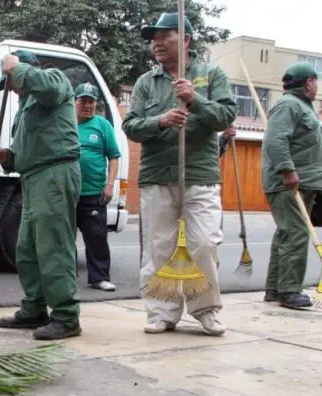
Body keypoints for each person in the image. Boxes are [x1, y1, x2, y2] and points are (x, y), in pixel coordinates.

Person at [123, 13, 237, 336]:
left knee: (204, 242)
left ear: (185, 39)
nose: (155, 43)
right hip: (157, 174)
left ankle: (206, 309)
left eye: (164, 35)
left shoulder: (211, 74)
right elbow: (130, 125)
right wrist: (160, 121)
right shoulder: (146, 82)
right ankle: (162, 311)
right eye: (153, 38)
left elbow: (226, 114)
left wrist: (195, 100)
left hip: (200, 173)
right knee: (159, 246)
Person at [0, 50, 82, 341]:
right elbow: (25, 152)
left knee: (53, 246)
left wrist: (18, 68)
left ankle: (66, 316)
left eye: (14, 82)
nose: (13, 90)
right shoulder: (24, 107)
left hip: (55, 173)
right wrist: (7, 156)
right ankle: (34, 308)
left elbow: (50, 91)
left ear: (27, 69)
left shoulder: (54, 81)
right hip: (32, 177)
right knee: (26, 248)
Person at [262, 61, 321, 309]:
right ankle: (290, 291)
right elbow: (276, 140)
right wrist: (288, 170)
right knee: (295, 233)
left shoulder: (302, 107)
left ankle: (276, 289)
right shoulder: (289, 105)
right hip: (289, 183)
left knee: (286, 233)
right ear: (309, 82)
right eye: (316, 81)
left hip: (302, 182)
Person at [73, 82, 121, 291]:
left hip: (93, 193)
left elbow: (113, 157)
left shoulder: (102, 125)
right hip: (67, 193)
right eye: (83, 100)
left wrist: (109, 185)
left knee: (96, 238)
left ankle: (99, 277)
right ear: (75, 102)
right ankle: (64, 278)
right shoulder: (66, 123)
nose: (87, 105)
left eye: (91, 101)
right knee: (63, 239)